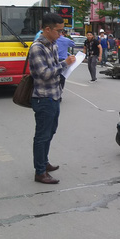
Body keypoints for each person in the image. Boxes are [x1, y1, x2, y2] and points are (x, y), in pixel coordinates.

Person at [29, 13, 75, 184]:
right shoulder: (37, 48)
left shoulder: (53, 45)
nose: (60, 35)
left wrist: (65, 66)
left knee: (50, 132)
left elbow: (56, 68)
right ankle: (40, 172)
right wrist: (65, 64)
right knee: (42, 135)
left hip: (55, 95)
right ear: (47, 29)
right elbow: (44, 73)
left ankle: (44, 162)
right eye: (58, 31)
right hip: (43, 97)